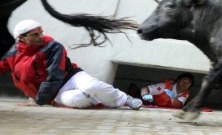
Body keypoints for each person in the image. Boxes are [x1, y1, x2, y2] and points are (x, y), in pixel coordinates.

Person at [0, 19, 142, 110]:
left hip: (71, 77)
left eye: (41, 33)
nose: (41, 37)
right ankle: (102, 100)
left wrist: (39, 100)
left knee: (90, 86)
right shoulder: (12, 54)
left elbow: (54, 76)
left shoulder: (53, 47)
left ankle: (124, 99)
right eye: (35, 35)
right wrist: (38, 97)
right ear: (22, 38)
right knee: (75, 100)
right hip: (54, 93)